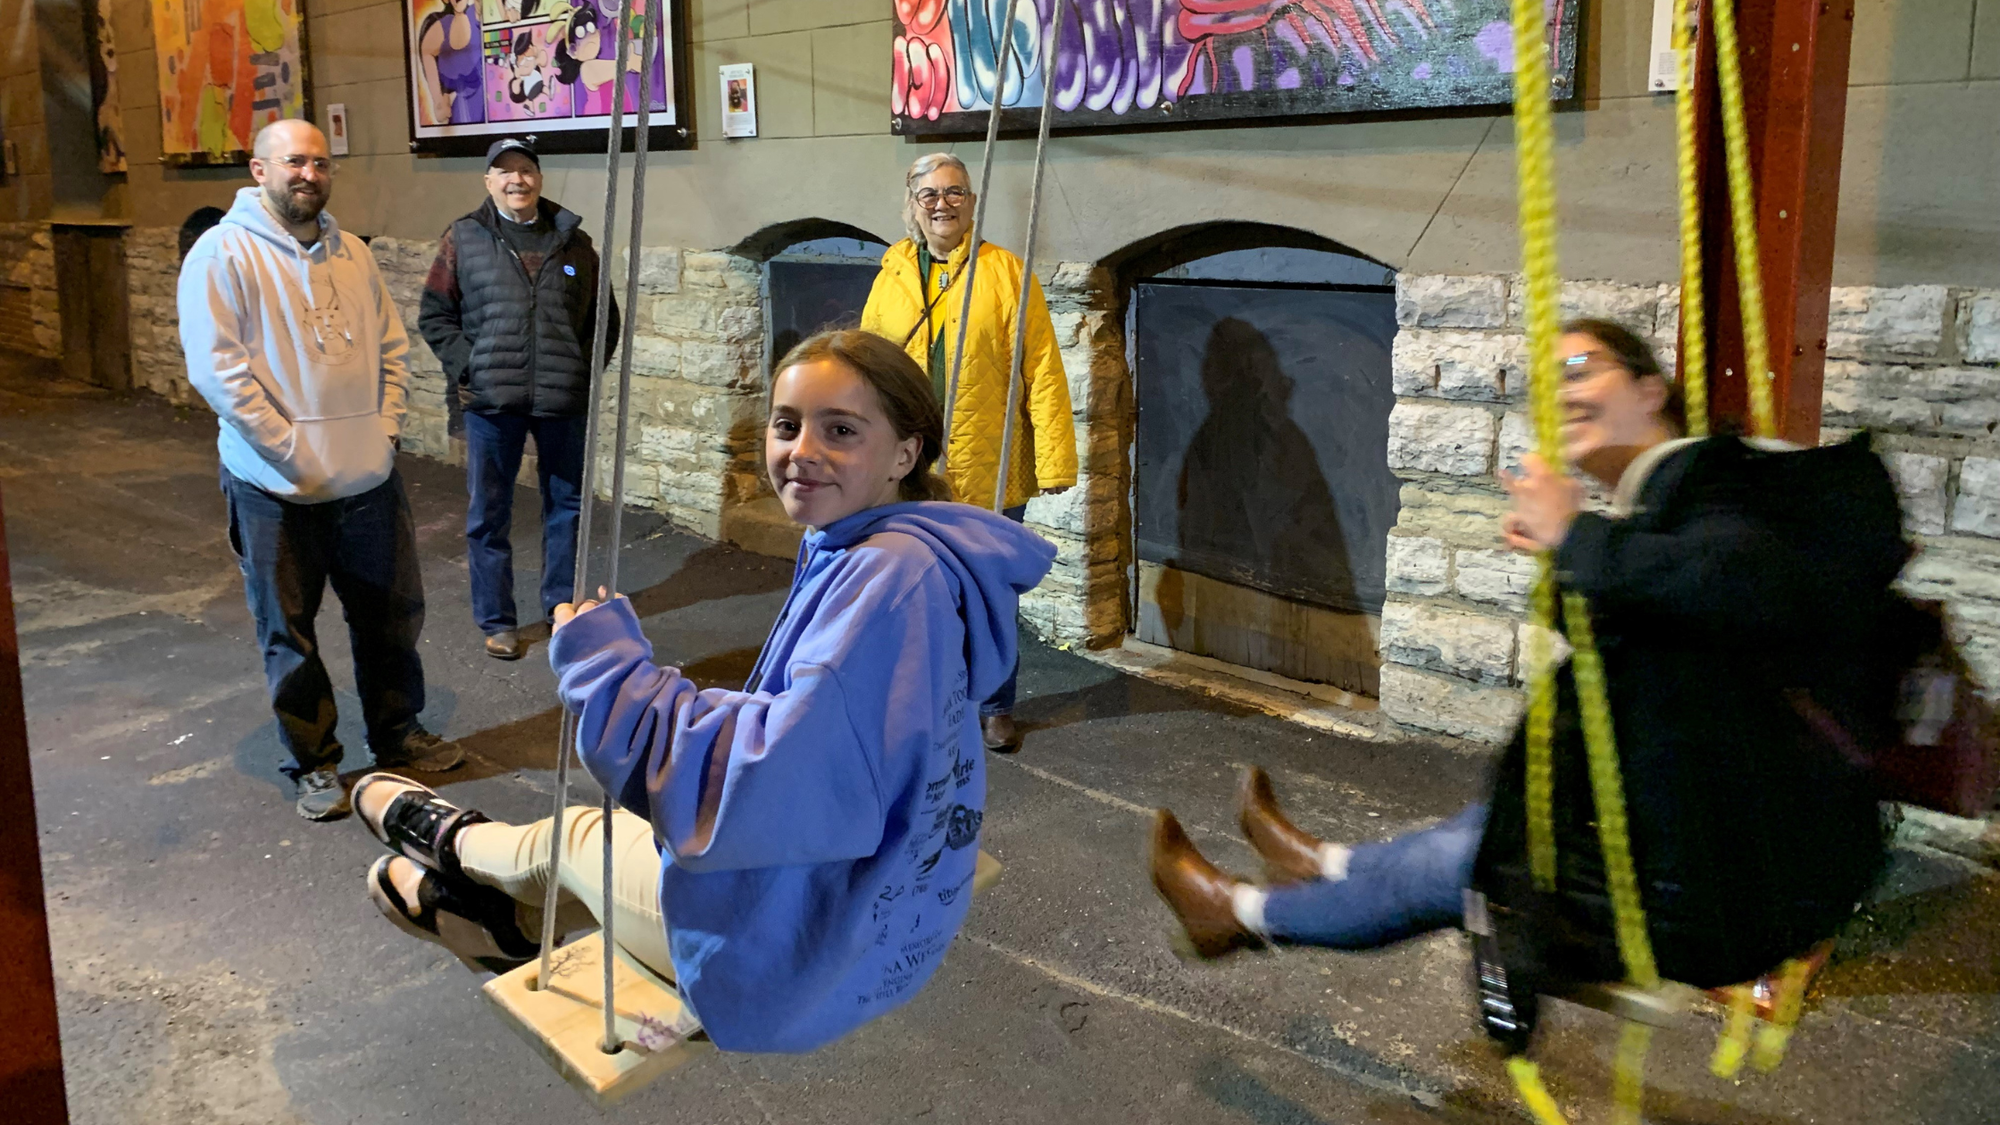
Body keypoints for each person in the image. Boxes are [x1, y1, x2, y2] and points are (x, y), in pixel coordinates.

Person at [1150, 319, 1903, 1006]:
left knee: (1466, 864)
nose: (1564, 389)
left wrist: (1576, 538)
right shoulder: (1672, 502)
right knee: (1485, 824)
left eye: (1582, 365)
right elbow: (1670, 643)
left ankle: (1240, 912)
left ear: (1649, 389)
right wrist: (1572, 558)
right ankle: (1331, 863)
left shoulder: (1723, 482)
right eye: (1551, 381)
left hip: (1716, 880)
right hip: (1700, 831)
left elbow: (1737, 583)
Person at [347, 329, 1055, 1051]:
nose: (802, 450)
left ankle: (453, 840)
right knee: (592, 866)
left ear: (905, 453)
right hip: (902, 908)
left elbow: (763, 785)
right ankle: (496, 919)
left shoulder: (885, 582)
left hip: (816, 955)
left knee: (575, 835)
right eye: (787, 424)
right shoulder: (913, 549)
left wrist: (613, 673)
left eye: (840, 429)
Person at [178, 121, 462, 822]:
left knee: (391, 616)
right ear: (258, 169)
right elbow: (219, 370)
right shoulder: (222, 253)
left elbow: (392, 347)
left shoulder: (354, 255)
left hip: (366, 477)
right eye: (294, 161)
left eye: (321, 162)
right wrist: (285, 445)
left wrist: (385, 428)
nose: (309, 173)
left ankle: (397, 732)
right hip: (273, 484)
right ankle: (315, 763)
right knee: (289, 630)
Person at [861, 152, 1077, 752]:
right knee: (913, 589)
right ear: (912, 202)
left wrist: (1056, 458)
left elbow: (1043, 366)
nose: (942, 205)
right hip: (910, 464)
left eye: (954, 193)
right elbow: (866, 367)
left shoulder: (1007, 273)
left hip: (989, 463)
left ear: (972, 203)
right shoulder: (892, 275)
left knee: (989, 593)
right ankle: (926, 702)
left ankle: (997, 706)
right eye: (929, 194)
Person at [418, 138, 618, 660]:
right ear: (488, 181)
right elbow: (434, 315)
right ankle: (497, 620)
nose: (516, 180)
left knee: (567, 509)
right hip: (491, 401)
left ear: (539, 179)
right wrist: (470, 365)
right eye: (504, 172)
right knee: (489, 514)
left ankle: (561, 609)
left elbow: (604, 322)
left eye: (526, 170)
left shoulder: (575, 243)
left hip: (561, 400)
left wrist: (581, 372)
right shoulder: (464, 237)